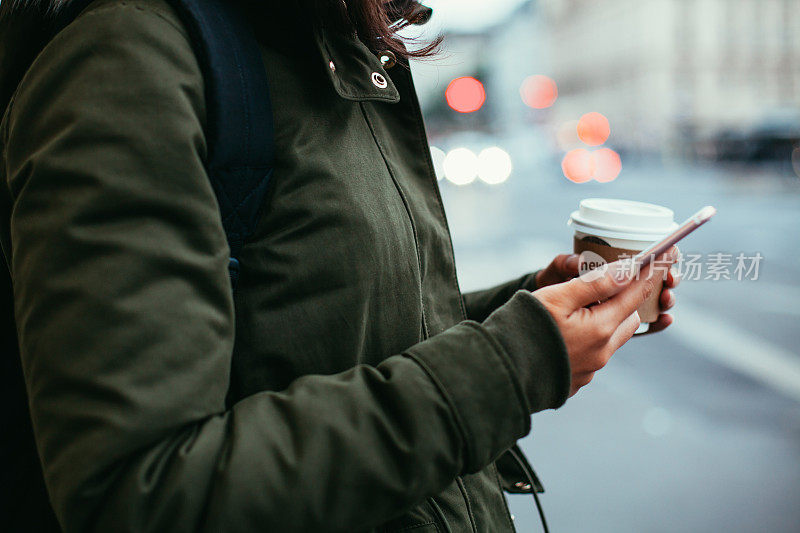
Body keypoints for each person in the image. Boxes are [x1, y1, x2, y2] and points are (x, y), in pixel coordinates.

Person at [0, 0, 679, 531]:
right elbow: (141, 494)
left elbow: (322, 325)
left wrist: (525, 308)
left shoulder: (335, 43)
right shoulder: (133, 58)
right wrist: (512, 364)